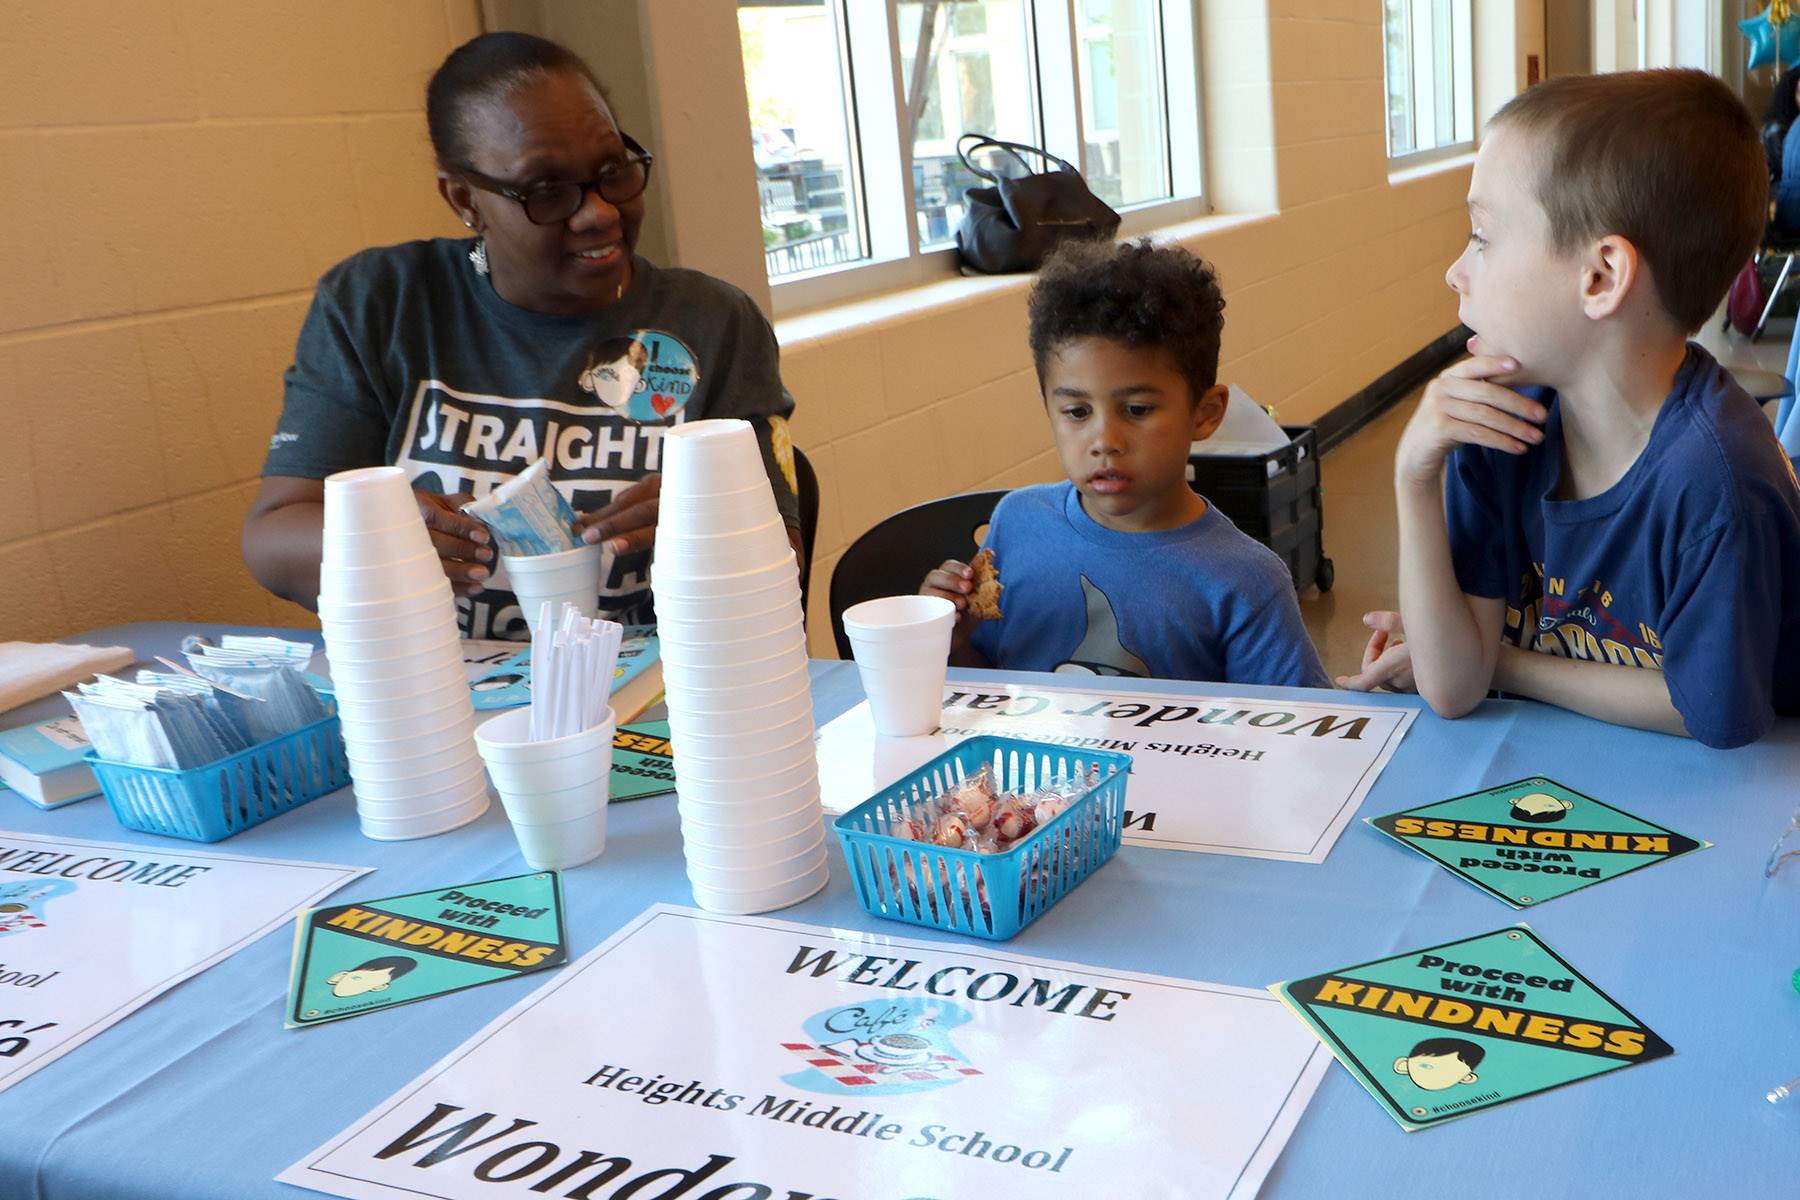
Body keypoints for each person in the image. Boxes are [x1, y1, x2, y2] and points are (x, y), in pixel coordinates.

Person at [243, 32, 802, 639]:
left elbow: (785, 562)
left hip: (659, 695)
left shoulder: (712, 321)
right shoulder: (382, 304)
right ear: (465, 199)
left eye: (612, 172)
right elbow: (274, 539)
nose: (599, 212)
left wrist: (717, 526)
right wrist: (377, 542)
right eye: (546, 191)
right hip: (435, 692)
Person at [1340, 70, 1800, 749]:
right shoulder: (1497, 422)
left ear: (1601, 277)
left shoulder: (1718, 481)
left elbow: (1712, 715)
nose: (1455, 273)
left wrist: (1506, 662)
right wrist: (1413, 475)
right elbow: (1453, 687)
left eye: (1482, 238)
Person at [920, 240, 1328, 687]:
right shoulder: (1018, 524)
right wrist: (951, 643)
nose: (1104, 441)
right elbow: (993, 696)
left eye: (1136, 410)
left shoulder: (1246, 582)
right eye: (1077, 412)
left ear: (1205, 413)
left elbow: (1300, 738)